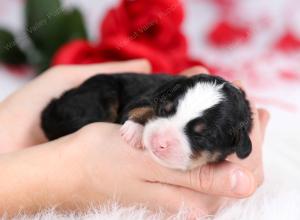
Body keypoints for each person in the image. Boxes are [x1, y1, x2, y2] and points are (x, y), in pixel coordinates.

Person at [0, 59, 269, 217]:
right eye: (165, 113)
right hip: (101, 95)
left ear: (235, 144)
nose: (162, 138)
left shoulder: (235, 127)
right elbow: (144, 104)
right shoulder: (166, 94)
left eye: (199, 137)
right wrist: (68, 170)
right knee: (88, 109)